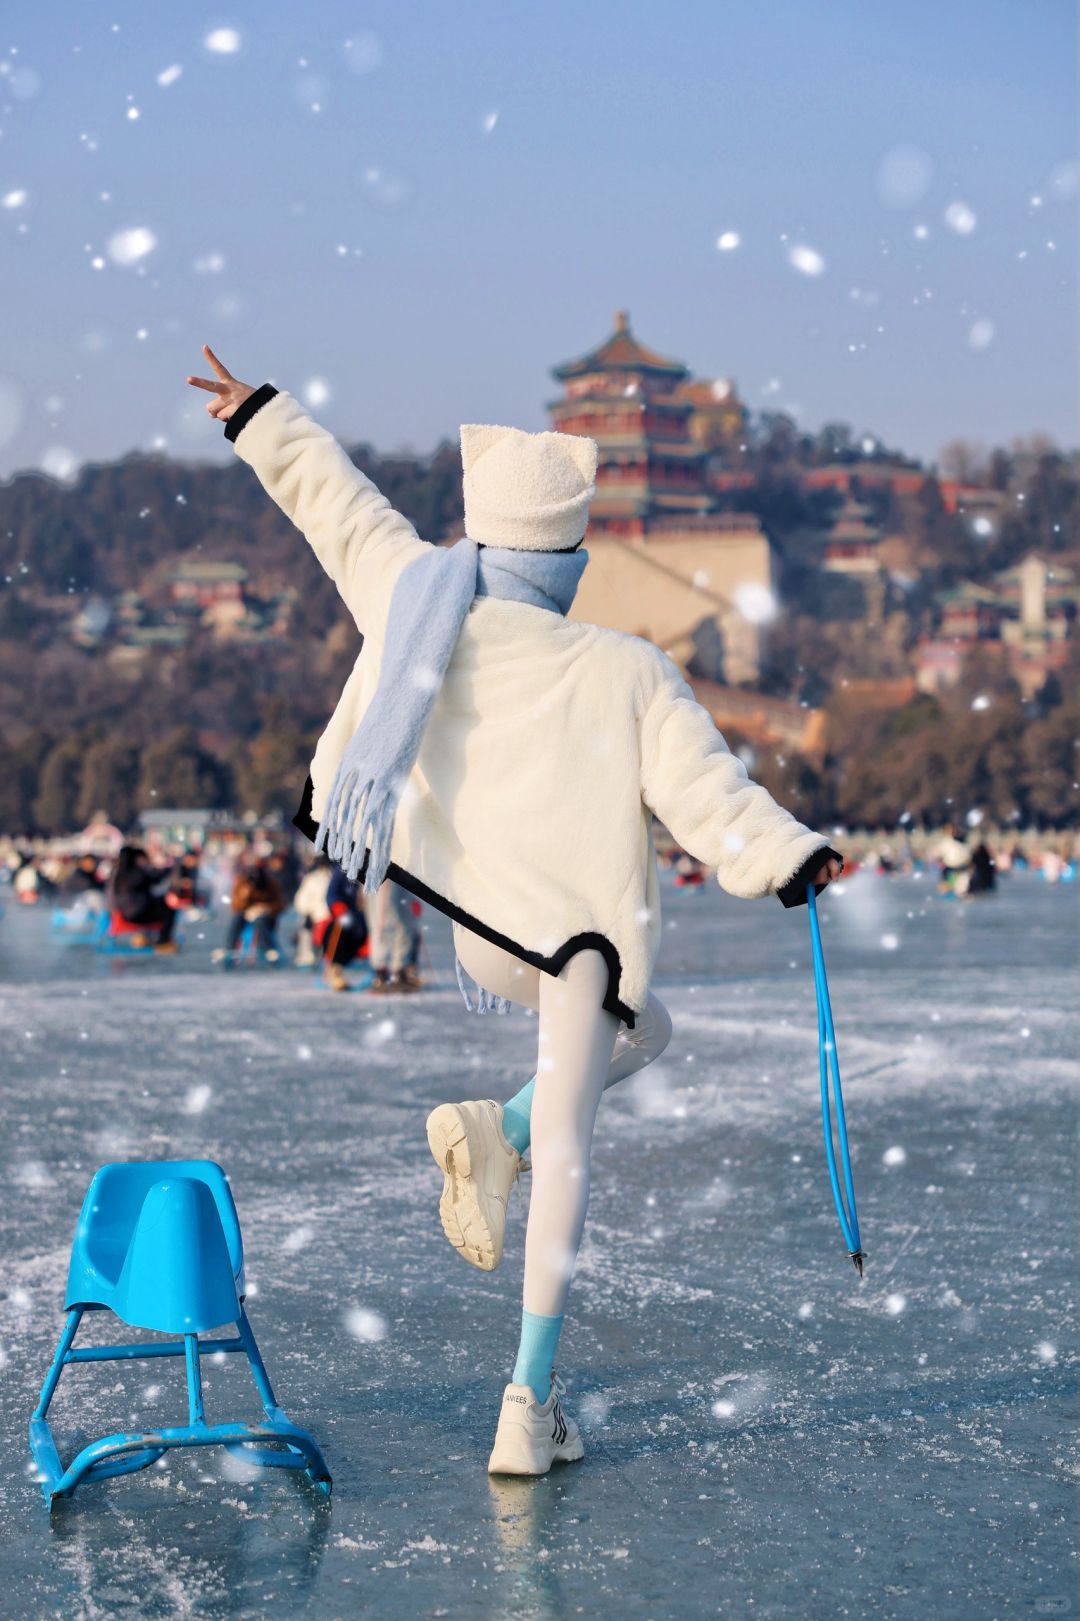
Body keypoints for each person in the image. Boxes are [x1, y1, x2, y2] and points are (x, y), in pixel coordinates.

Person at [188, 346, 842, 1478]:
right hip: (574, 943)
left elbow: (338, 506)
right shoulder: (628, 666)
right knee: (577, 1151)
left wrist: (261, 418)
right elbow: (710, 800)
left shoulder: (418, 597)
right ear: (577, 554)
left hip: (481, 937)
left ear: (481, 537)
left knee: (655, 1030)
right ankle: (525, 1404)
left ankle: (502, 1130)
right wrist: (792, 856)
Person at [108, 845, 178, 950]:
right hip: (134, 914)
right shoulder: (135, 872)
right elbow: (156, 878)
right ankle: (163, 941)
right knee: (168, 910)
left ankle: (146, 937)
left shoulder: (117, 872)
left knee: (160, 904)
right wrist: (170, 867)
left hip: (120, 912)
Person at [367, 878, 424, 993]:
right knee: (386, 922)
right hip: (384, 872)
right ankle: (384, 972)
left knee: (401, 923)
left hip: (397, 873)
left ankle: (396, 971)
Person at [318, 862, 369, 990]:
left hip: (369, 920)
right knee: (338, 932)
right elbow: (332, 895)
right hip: (348, 918)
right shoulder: (343, 870)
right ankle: (335, 971)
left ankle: (393, 971)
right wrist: (339, 909)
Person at [223, 859, 286, 962]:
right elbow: (235, 905)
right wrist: (244, 896)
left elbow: (281, 904)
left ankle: (267, 949)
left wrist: (266, 908)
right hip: (245, 913)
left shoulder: (271, 884)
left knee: (261, 921)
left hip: (266, 915)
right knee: (236, 919)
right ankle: (229, 948)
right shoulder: (242, 883)